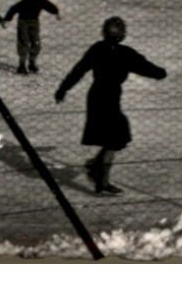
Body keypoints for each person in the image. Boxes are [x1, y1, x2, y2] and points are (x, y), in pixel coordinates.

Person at [55, 16, 167, 196]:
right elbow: (145, 67)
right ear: (122, 34)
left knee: (116, 138)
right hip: (110, 97)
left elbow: (79, 69)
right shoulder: (126, 53)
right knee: (116, 139)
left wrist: (63, 89)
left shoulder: (97, 49)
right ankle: (101, 179)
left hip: (96, 95)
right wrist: (160, 73)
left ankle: (97, 169)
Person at [5, 0, 62, 74]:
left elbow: (49, 6)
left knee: (36, 43)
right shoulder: (26, 0)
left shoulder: (41, 0)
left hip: (34, 22)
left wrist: (56, 12)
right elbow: (14, 8)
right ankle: (22, 65)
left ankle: (31, 62)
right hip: (23, 22)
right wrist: (7, 19)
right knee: (24, 43)